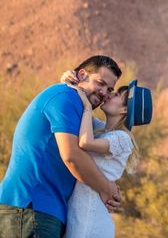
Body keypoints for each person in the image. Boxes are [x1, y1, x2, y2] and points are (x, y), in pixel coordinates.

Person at [0, 56, 123, 238]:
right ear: (82, 75)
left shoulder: (81, 111)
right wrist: (106, 190)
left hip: (42, 211)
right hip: (30, 207)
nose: (104, 92)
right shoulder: (66, 97)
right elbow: (72, 155)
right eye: (100, 83)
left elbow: (107, 137)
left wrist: (110, 186)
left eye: (110, 89)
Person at [62, 71, 152, 238]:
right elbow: (79, 115)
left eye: (117, 94)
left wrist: (88, 107)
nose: (110, 94)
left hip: (91, 220)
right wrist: (67, 81)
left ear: (125, 109)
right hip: (80, 216)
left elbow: (85, 142)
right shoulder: (101, 130)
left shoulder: (123, 138)